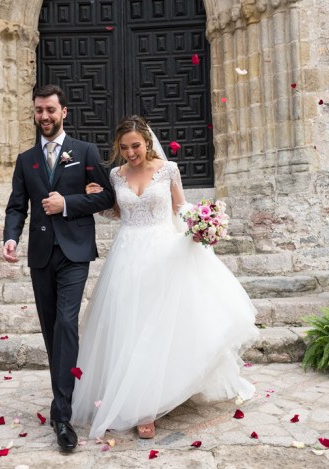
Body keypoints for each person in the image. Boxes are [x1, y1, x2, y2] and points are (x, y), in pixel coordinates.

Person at [72, 115, 259, 439]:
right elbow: (117, 211)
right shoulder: (116, 175)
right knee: (130, 328)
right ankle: (142, 407)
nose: (131, 153)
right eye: (125, 147)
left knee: (159, 329)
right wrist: (94, 199)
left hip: (164, 253)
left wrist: (204, 225)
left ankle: (157, 398)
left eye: (136, 146)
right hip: (127, 255)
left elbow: (181, 207)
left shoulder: (168, 169)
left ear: (146, 141)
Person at [1, 84, 115, 451]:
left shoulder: (85, 152)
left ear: (64, 111)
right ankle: (63, 395)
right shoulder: (26, 159)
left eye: (50, 110)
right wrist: (11, 237)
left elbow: (106, 196)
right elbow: (17, 205)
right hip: (40, 255)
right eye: (39, 111)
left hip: (75, 251)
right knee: (52, 332)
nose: (45, 117)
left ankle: (61, 414)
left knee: (67, 322)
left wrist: (66, 203)